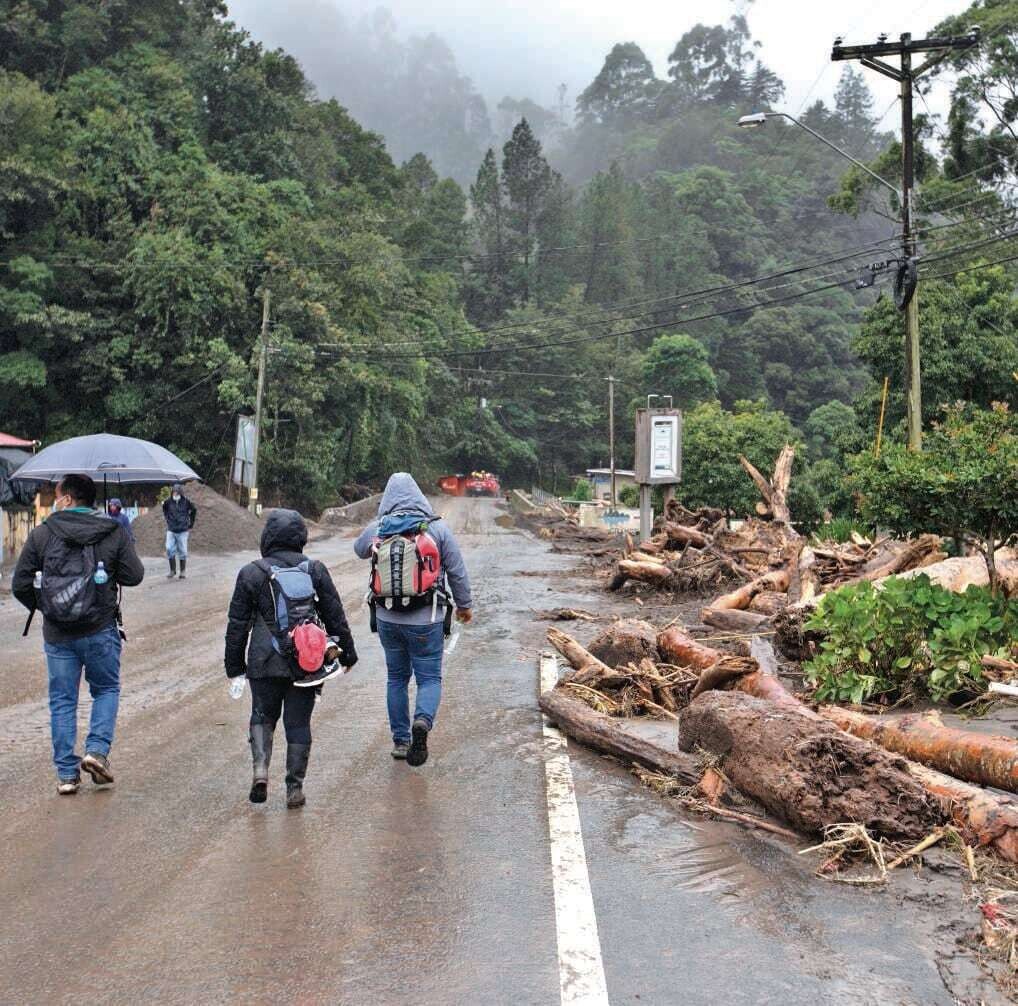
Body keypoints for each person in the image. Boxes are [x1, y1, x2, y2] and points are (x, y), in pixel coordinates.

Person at [12, 473, 145, 794]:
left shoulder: (42, 534)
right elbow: (134, 575)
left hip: (58, 634)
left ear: (68, 499)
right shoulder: (111, 531)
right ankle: (96, 751)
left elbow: (19, 584)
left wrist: (48, 606)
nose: (55, 501)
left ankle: (67, 776)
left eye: (57, 496)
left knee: (62, 701)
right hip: (100, 628)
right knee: (106, 690)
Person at [224, 509, 358, 808]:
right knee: (298, 723)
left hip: (263, 660)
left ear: (267, 536)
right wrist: (348, 653)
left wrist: (234, 666)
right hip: (306, 664)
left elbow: (237, 625)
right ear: (301, 537)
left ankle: (260, 771)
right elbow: (334, 616)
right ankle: (294, 788)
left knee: (262, 715)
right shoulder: (315, 570)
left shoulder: (251, 573)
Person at [354, 473, 472, 767]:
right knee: (429, 678)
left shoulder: (379, 528)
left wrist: (377, 531)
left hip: (386, 618)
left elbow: (358, 550)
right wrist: (464, 605)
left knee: (396, 678)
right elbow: (457, 571)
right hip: (426, 618)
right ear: (419, 495)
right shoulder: (437, 528)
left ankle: (401, 741)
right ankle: (422, 721)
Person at [162, 481, 196, 580]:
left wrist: (191, 523)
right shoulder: (168, 502)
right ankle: (172, 570)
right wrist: (168, 519)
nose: (175, 494)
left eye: (177, 492)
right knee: (169, 548)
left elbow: (194, 510)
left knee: (183, 551)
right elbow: (164, 509)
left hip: (183, 530)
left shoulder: (186, 501)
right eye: (173, 492)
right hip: (171, 529)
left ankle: (182, 572)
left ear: (180, 493)